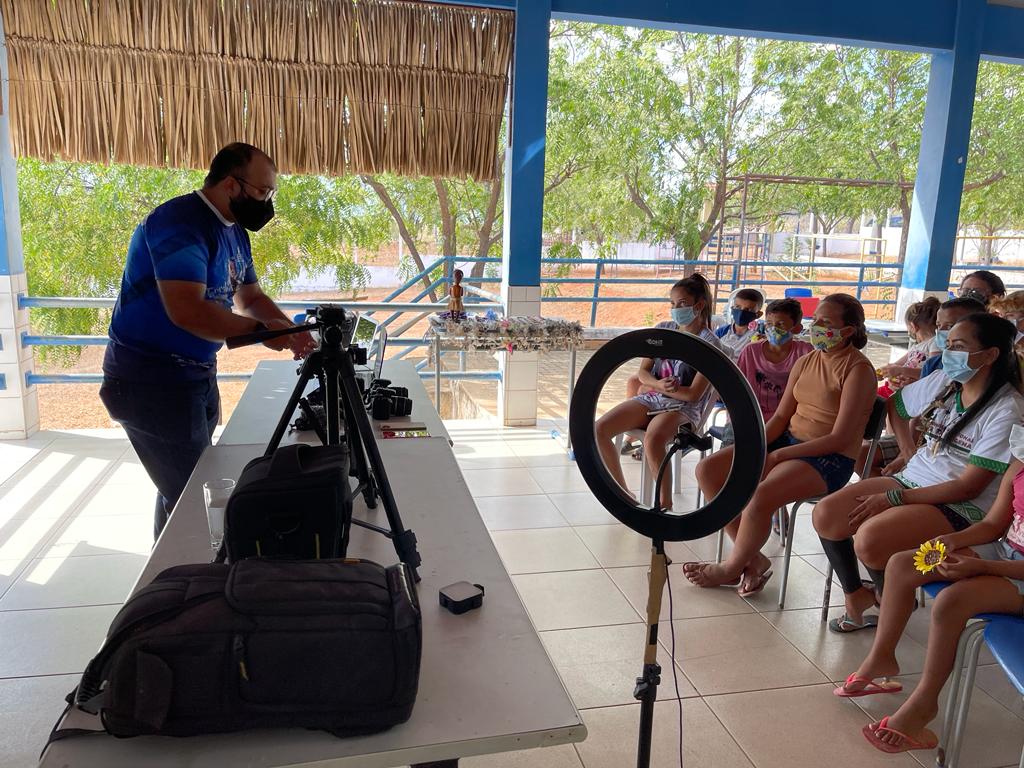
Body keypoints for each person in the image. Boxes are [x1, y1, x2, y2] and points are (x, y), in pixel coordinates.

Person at [100, 142, 316, 539]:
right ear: (232, 184)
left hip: (195, 375)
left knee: (181, 488)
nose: (267, 203)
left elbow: (251, 297)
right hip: (150, 381)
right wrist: (260, 332)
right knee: (192, 499)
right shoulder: (179, 223)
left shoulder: (234, 233)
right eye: (263, 192)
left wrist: (288, 329)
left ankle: (170, 569)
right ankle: (190, 571)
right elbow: (187, 311)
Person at [813, 313, 1024, 632]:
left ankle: (889, 595)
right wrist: (908, 450)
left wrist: (894, 498)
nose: (948, 352)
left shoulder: (1007, 409)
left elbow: (968, 487)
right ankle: (859, 594)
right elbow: (895, 406)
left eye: (959, 346)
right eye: (948, 344)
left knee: (870, 540)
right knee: (827, 514)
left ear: (990, 355)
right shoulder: (946, 382)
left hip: (959, 504)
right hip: (912, 479)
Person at [837, 431, 1024, 755]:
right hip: (1005, 552)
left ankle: (924, 704)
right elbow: (994, 524)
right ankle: (882, 657)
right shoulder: (1021, 453)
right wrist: (952, 541)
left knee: (953, 601)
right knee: (902, 564)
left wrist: (984, 568)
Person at [686, 294, 877, 595]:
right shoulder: (806, 361)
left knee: (761, 495)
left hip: (829, 458)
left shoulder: (858, 370)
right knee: (708, 471)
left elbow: (840, 438)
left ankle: (731, 568)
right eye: (817, 320)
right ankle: (753, 559)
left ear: (848, 330)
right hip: (789, 443)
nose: (817, 327)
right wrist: (757, 446)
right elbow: (780, 418)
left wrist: (779, 456)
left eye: (826, 323)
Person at [596, 274, 720, 510]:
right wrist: (658, 385)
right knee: (600, 429)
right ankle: (623, 493)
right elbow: (643, 372)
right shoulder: (663, 330)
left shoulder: (709, 343)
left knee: (653, 440)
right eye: (672, 304)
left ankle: (664, 506)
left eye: (682, 303)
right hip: (653, 398)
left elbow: (694, 394)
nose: (676, 309)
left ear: (699, 305)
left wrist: (661, 388)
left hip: (684, 409)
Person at [736, 298, 812, 424]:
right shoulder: (751, 351)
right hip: (753, 417)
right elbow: (738, 389)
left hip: (790, 420)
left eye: (780, 324)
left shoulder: (806, 353)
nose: (773, 328)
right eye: (769, 323)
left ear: (797, 328)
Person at [876, 297, 939, 396]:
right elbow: (895, 365)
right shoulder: (916, 347)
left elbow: (932, 372)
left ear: (913, 327)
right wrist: (881, 372)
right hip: (897, 389)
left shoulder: (935, 343)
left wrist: (901, 370)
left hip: (913, 393)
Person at [918, 296, 986, 378]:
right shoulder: (931, 365)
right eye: (938, 325)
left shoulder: (985, 366)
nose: (940, 331)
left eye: (950, 326)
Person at [714, 288, 764, 360]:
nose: (741, 312)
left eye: (748, 309)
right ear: (732, 308)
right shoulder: (722, 332)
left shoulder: (761, 335)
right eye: (737, 307)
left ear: (758, 314)